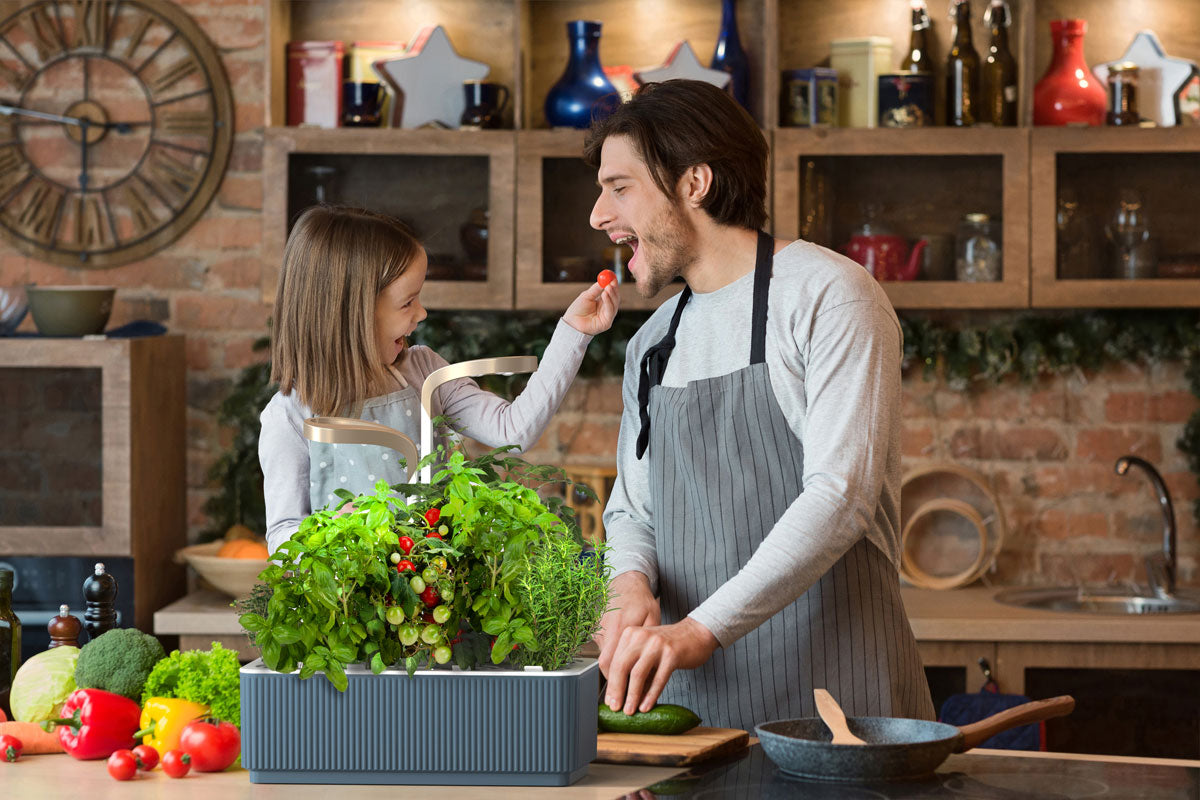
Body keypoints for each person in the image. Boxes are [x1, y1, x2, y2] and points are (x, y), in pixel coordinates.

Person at [588, 80, 934, 732]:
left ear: (693, 183)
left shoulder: (830, 295)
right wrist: (628, 584)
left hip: (843, 702)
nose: (598, 215)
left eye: (620, 187)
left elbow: (841, 496)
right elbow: (633, 510)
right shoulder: (652, 342)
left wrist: (699, 631)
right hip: (700, 715)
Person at [260, 205, 619, 554]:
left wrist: (575, 332)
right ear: (350, 312)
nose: (422, 313)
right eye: (407, 303)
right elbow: (282, 536)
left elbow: (514, 429)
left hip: (442, 600)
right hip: (346, 611)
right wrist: (329, 538)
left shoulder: (424, 373)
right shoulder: (289, 417)